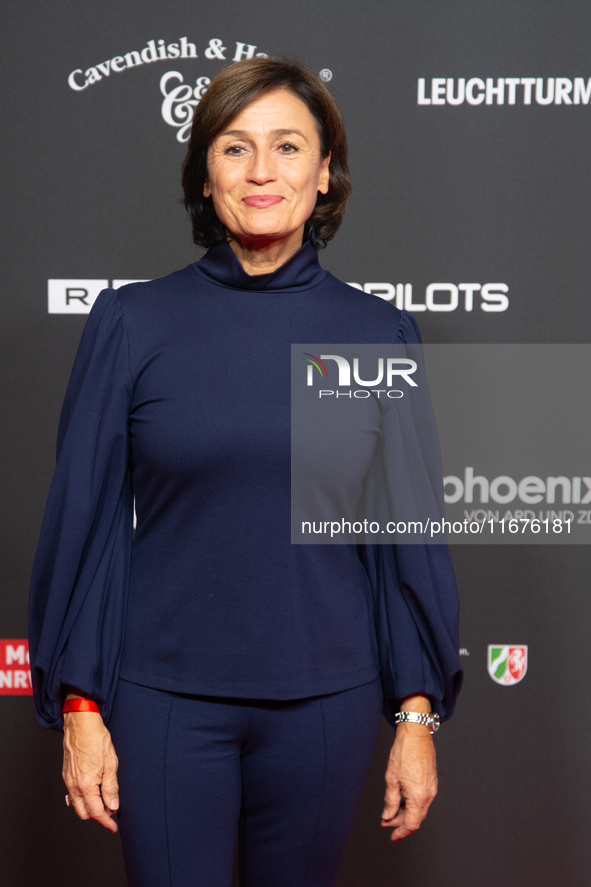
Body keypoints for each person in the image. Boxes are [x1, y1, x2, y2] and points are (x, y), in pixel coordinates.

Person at [28, 57, 462, 887]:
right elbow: (82, 525)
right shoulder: (132, 320)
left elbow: (404, 544)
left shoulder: (374, 334)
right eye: (235, 148)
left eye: (288, 146)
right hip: (161, 701)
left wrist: (414, 717)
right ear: (204, 173)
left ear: (324, 170)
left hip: (325, 706)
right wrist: (80, 706)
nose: (262, 171)